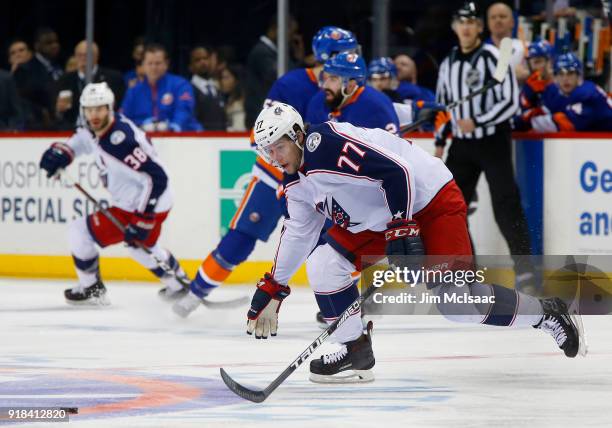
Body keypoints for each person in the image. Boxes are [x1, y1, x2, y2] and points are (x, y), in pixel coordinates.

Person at [243, 103, 585, 382]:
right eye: (268, 151)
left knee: (459, 306)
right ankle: (354, 348)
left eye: (279, 146)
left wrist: (402, 227)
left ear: (298, 135)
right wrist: (275, 285)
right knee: (323, 265)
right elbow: (300, 233)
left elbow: (398, 172)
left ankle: (547, 313)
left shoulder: (325, 145)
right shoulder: (295, 184)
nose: (275, 157)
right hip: (383, 216)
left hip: (429, 200)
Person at [172, 26, 359, 318]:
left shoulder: (352, 87)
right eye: (346, 52)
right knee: (241, 237)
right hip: (275, 174)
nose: (353, 58)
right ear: (326, 56)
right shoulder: (292, 84)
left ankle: (337, 307)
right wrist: (285, 175)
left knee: (333, 244)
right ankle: (194, 293)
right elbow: (258, 136)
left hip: (319, 182)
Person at [38, 82, 188, 305]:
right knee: (80, 232)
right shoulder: (93, 129)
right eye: (89, 109)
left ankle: (180, 285)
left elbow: (156, 178)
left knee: (138, 247)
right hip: (127, 203)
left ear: (110, 108)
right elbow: (80, 140)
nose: (94, 115)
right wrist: (61, 153)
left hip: (151, 201)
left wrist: (144, 218)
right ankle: (92, 289)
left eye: (99, 109)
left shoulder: (121, 140)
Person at [434, 2, 534, 291]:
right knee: (450, 209)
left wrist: (478, 120)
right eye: (460, 22)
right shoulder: (448, 63)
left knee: (506, 205)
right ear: (455, 28)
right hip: (462, 147)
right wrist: (440, 142)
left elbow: (510, 101)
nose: (466, 27)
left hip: (493, 141)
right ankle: (468, 272)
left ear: (479, 27)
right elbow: (443, 106)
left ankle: (525, 270)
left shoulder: (494, 57)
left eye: (471, 22)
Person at [306, 52, 400, 134]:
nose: (325, 86)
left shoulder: (377, 105)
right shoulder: (318, 101)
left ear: (351, 85)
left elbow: (394, 149)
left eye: (333, 79)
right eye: (325, 78)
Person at [518, 52, 612, 132]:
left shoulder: (589, 94)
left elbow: (565, 124)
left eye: (570, 73)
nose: (565, 79)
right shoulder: (554, 91)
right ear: (555, 77)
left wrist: (526, 123)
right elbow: (541, 111)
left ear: (579, 76)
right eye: (561, 74)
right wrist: (527, 98)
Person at [121, 44, 202, 132]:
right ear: (143, 65)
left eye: (158, 63)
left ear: (166, 64)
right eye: (150, 63)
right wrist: (142, 125)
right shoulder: (134, 91)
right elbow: (123, 118)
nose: (153, 67)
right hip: (144, 139)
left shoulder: (180, 85)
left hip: (181, 138)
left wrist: (173, 127)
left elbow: (184, 110)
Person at [244, 16, 304, 128]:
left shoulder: (275, 52)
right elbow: (282, 77)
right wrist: (301, 62)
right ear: (277, 28)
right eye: (292, 31)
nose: (292, 37)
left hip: (268, 115)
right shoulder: (261, 52)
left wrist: (298, 58)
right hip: (260, 117)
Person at [53, 40, 125, 130]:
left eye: (87, 55)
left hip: (105, 129)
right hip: (71, 130)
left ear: (96, 57)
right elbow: (55, 114)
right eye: (79, 55)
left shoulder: (113, 78)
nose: (83, 59)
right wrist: (59, 110)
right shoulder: (65, 80)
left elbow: (119, 108)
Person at [13, 28, 63, 129]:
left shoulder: (59, 67)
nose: (54, 46)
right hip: (36, 126)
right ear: (37, 46)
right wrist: (41, 112)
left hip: (60, 124)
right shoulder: (25, 70)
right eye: (49, 43)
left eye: (56, 42)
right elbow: (20, 100)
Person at [486, 2, 529, 82]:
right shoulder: (482, 51)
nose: (498, 20)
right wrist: (512, 75)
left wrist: (529, 75)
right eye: (493, 17)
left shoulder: (525, 47)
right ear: (488, 23)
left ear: (512, 22)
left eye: (502, 16)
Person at [189, 45, 227, 130]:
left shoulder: (216, 88)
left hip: (221, 140)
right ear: (190, 66)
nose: (203, 62)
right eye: (197, 60)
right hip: (200, 140)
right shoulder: (188, 90)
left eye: (205, 58)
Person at [219, 64, 246, 131]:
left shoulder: (238, 103)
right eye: (221, 78)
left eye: (226, 78)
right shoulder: (227, 99)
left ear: (236, 80)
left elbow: (239, 129)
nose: (223, 81)